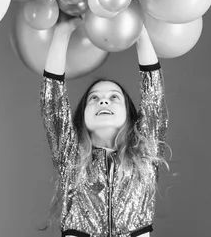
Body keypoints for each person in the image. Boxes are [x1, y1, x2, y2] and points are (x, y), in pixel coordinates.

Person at [40, 17, 169, 237]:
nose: (103, 101)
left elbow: (153, 97)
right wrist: (62, 33)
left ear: (130, 115)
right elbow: (52, 102)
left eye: (113, 97)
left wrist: (139, 31)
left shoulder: (144, 156)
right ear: (82, 118)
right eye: (94, 98)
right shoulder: (70, 158)